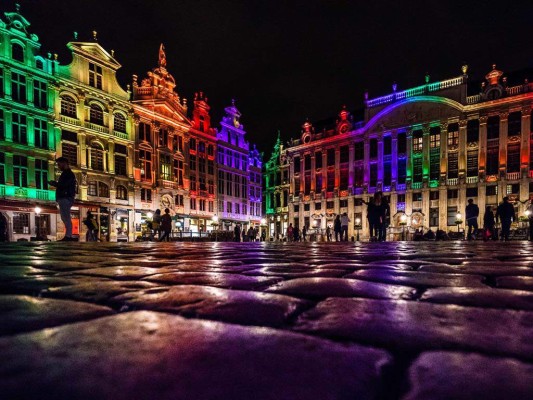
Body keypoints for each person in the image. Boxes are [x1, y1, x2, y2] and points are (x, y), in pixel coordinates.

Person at [48, 157, 76, 241]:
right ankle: (68, 235)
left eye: (59, 164)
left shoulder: (68, 174)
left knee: (65, 217)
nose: (58, 166)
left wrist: (55, 184)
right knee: (65, 217)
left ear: (64, 163)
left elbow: (64, 185)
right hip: (65, 197)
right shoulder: (67, 173)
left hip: (65, 197)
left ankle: (68, 236)